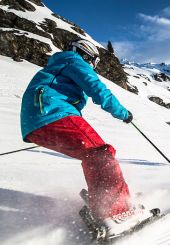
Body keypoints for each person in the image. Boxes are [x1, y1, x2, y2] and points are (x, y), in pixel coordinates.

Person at [20, 39, 150, 233]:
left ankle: (103, 199)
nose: (93, 67)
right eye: (93, 63)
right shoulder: (73, 60)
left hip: (37, 123)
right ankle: (116, 212)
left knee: (92, 155)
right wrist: (123, 113)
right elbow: (97, 89)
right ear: (87, 55)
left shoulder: (59, 66)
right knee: (101, 154)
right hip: (52, 113)